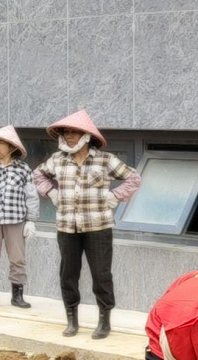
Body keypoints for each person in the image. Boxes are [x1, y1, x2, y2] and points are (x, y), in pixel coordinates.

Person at [32, 110, 141, 339]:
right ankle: (72, 320)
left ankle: (104, 320)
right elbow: (38, 175)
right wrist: (51, 193)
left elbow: (133, 178)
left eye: (74, 132)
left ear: (86, 136)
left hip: (98, 227)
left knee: (101, 275)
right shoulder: (57, 159)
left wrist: (115, 196)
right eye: (66, 133)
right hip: (67, 227)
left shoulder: (105, 160)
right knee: (68, 275)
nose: (69, 137)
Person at [0, 126, 38, 308]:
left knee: (17, 258)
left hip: (15, 219)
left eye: (1, 143)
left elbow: (31, 196)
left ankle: (17, 296)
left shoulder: (23, 169)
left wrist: (31, 220)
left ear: (11, 147)